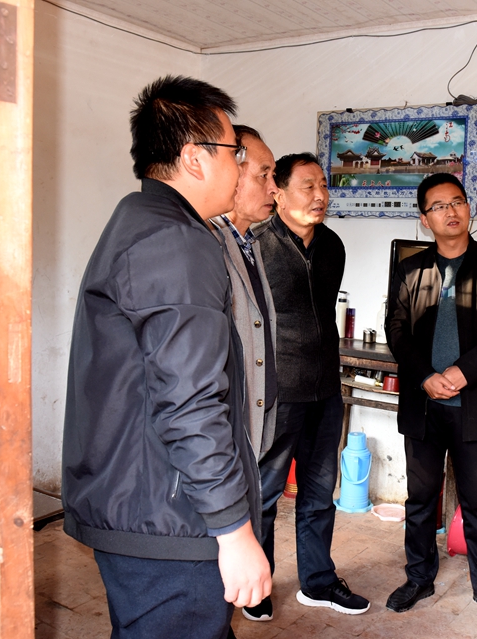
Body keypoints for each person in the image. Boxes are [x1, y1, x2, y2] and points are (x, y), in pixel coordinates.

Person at [62, 76, 270, 639]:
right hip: (168, 518)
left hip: (146, 501)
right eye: (235, 152)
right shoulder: (175, 240)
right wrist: (234, 530)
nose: (241, 167)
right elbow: (190, 400)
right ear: (194, 157)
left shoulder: (141, 220)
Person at [385, 173, 477, 626]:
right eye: (439, 205)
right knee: (421, 498)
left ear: (469, 208)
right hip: (425, 404)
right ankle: (418, 577)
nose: (451, 211)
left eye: (458, 201)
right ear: (425, 219)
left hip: (474, 406)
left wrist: (462, 372)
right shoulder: (411, 270)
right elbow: (396, 329)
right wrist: (425, 376)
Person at [257, 152, 370, 616]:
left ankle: (318, 582)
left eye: (324, 185)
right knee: (263, 494)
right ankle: (257, 585)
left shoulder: (333, 246)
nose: (320, 195)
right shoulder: (257, 247)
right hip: (278, 393)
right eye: (308, 186)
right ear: (278, 193)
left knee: (320, 494)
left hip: (325, 391)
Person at [205, 125, 280, 626]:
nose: (274, 188)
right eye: (264, 175)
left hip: (253, 423)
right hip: (222, 428)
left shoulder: (249, 242)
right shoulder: (207, 243)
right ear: (232, 173)